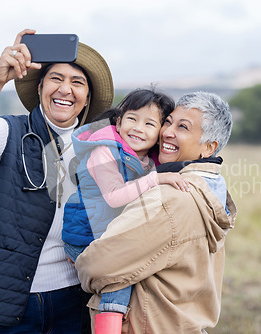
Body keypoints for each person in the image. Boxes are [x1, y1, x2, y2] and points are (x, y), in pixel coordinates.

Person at [0, 29, 114, 333]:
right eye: (56, 79)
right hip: (0, 304)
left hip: (72, 302)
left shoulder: (95, 149)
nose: (65, 89)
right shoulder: (6, 133)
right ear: (39, 88)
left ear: (87, 96)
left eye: (77, 82)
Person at [76, 91, 238, 333]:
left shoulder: (169, 197)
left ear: (209, 147)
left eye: (183, 127)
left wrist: (81, 266)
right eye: (168, 122)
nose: (167, 132)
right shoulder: (211, 189)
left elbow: (97, 265)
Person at [63, 87, 189, 333]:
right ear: (119, 122)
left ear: (160, 133)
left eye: (150, 124)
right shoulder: (105, 151)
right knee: (119, 278)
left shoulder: (148, 160)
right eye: (132, 119)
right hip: (84, 236)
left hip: (108, 235)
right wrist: (156, 179)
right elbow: (114, 197)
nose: (139, 128)